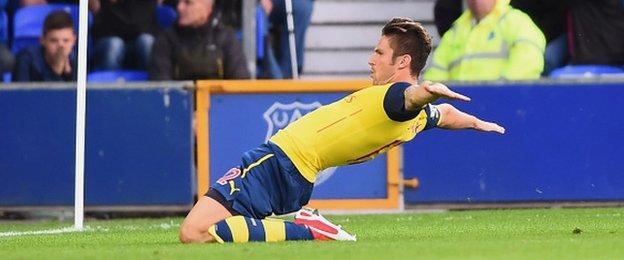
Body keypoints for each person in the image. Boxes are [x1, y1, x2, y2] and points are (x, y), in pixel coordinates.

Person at [178, 17, 505, 244]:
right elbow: (444, 114)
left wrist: (427, 90)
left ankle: (310, 230)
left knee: (194, 232)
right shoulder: (415, 119)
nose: (371, 60)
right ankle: (309, 227)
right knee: (210, 229)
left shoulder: (393, 98)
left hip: (280, 161)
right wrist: (478, 123)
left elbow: (409, 96)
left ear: (402, 62)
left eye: (379, 52)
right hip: (296, 172)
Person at [424, 0, 546, 81]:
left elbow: (527, 64)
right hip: (460, 110)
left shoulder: (516, 21)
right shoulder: (456, 31)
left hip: (502, 106)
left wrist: (498, 93)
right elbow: (435, 76)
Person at [148, 0, 250, 80]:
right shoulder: (166, 39)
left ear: (207, 9)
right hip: (180, 104)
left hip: (220, 104)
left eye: (188, 3)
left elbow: (240, 80)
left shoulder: (226, 37)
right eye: (179, 2)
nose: (179, 7)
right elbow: (161, 84)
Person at [90, 0, 160, 71]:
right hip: (108, 40)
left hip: (139, 41)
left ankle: (155, 80)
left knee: (146, 41)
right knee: (114, 44)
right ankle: (106, 80)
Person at [12, 10, 76, 81]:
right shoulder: (25, 60)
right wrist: (56, 71)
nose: (60, 46)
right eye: (54, 41)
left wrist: (69, 74)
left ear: (73, 40)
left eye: (66, 41)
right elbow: (20, 91)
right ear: (42, 40)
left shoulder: (78, 60)